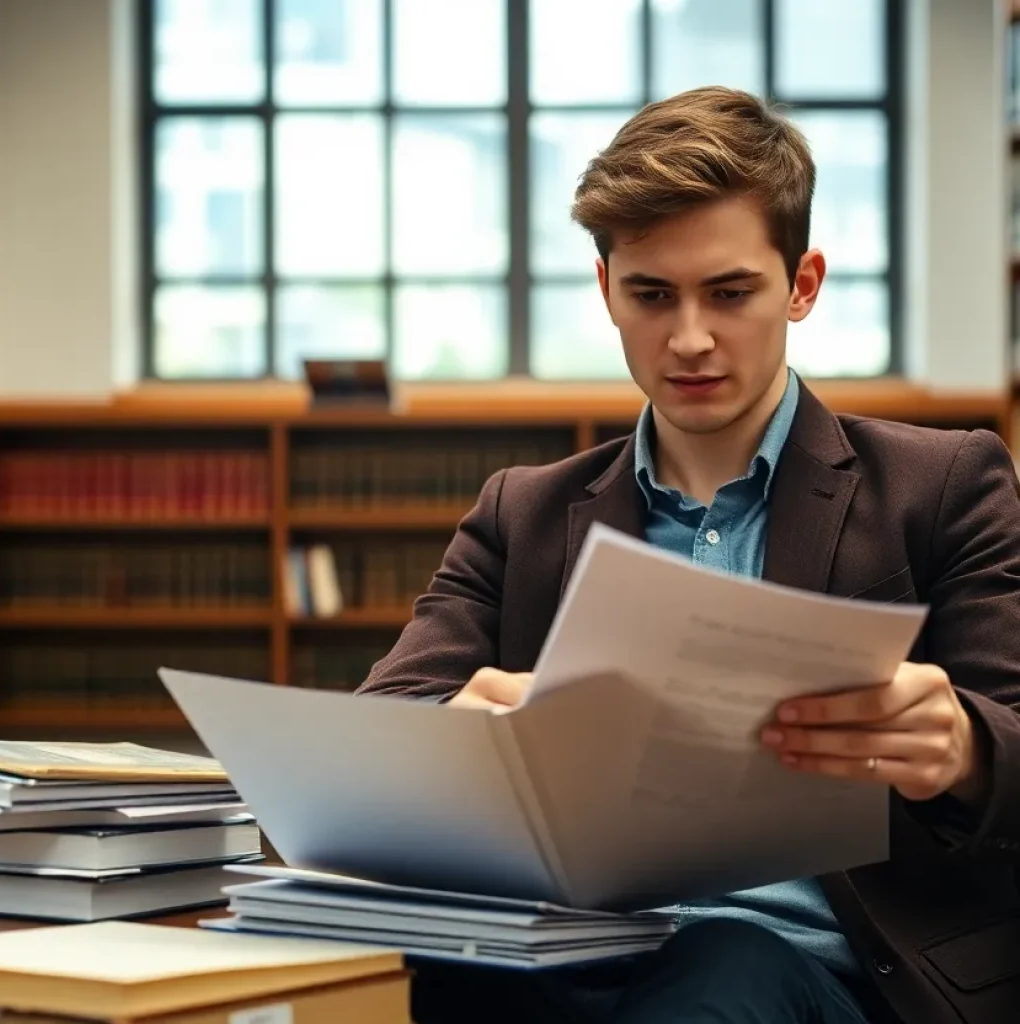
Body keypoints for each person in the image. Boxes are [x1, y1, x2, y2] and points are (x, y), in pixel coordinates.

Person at [355, 86, 1020, 1024]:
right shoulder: (525, 513)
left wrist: (963, 749)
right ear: (605, 291)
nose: (691, 337)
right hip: (576, 956)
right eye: (652, 295)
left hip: (827, 979)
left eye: (732, 292)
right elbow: (378, 732)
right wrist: (452, 733)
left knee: (722, 962)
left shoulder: (942, 485)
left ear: (803, 285)